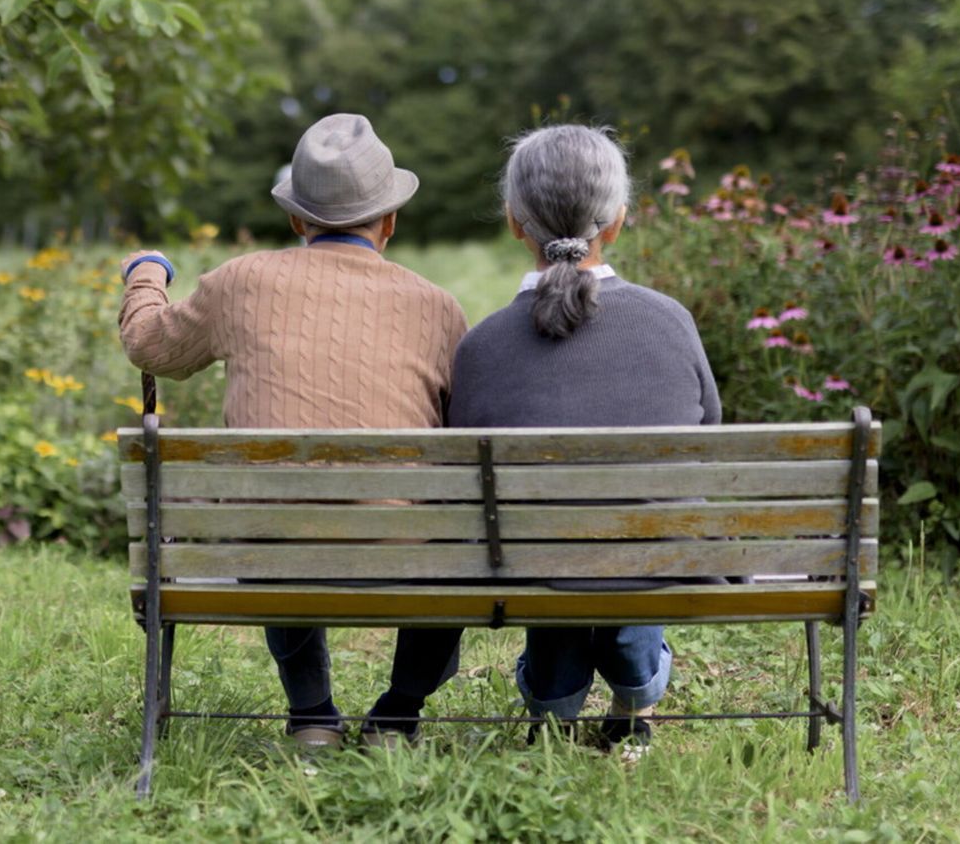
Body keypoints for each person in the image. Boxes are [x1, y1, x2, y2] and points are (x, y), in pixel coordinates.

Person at [118, 113, 468, 748]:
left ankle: (312, 715)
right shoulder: (438, 306)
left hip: (266, 555)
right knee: (454, 539)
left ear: (296, 221)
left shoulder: (239, 282)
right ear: (390, 221)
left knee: (278, 510)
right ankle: (397, 715)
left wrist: (145, 273)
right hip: (405, 557)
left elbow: (150, 347)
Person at [448, 124, 721, 753]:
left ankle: (552, 704)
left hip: (526, 564)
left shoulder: (483, 344)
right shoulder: (669, 322)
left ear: (516, 222)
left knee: (549, 538)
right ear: (618, 221)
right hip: (652, 560)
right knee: (635, 534)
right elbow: (708, 439)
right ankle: (633, 697)